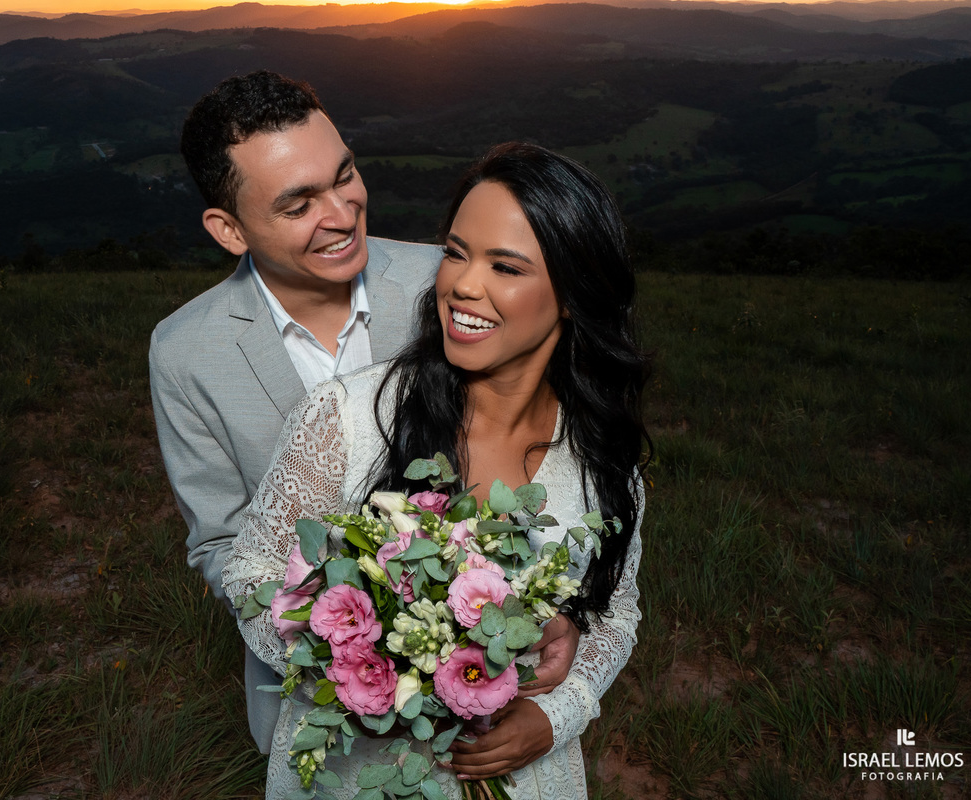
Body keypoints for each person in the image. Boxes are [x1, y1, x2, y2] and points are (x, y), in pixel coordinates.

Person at [149, 73, 580, 754]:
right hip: (319, 717)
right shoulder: (185, 353)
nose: (342, 213)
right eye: (298, 205)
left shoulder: (448, 284)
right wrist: (341, 658)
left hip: (490, 692)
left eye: (344, 175)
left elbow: (546, 456)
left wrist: (536, 620)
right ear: (229, 229)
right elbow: (219, 542)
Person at [223, 142, 651, 798]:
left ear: (572, 297)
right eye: (455, 252)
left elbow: (616, 613)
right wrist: (362, 676)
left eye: (504, 266)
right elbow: (249, 572)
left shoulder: (601, 466)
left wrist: (558, 710)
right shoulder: (349, 419)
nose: (462, 285)